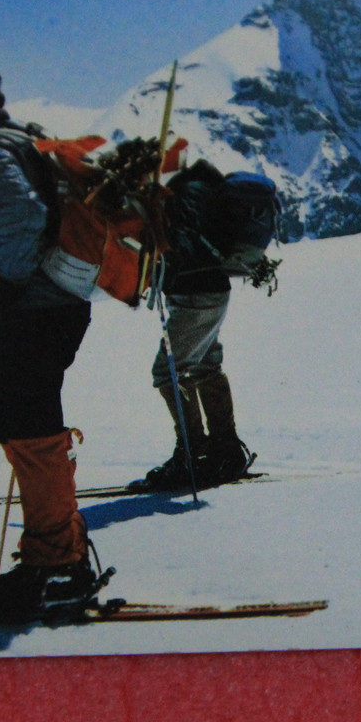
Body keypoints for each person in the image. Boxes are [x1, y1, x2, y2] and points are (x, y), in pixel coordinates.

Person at [0, 61, 104, 620]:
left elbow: (21, 212)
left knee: (29, 434)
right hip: (62, 303)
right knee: (37, 429)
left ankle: (54, 570)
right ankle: (63, 557)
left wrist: (5, 278)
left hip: (26, 310)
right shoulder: (28, 136)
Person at [127, 158, 256, 493]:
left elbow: (183, 247)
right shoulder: (207, 190)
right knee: (205, 366)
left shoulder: (185, 194)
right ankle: (225, 450)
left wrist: (157, 227)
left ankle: (193, 454)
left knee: (169, 370)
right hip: (212, 291)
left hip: (193, 293)